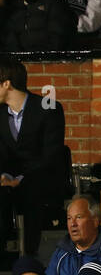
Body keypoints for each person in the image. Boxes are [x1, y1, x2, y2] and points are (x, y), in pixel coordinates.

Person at [0, 55, 68, 257]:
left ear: (6, 84)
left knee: (32, 191)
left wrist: (20, 178)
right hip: (8, 179)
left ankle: (30, 257)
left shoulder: (48, 108)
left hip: (40, 178)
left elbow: (52, 156)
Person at [1, 0, 75, 52]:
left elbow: (59, 39)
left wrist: (39, 59)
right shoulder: (15, 11)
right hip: (23, 63)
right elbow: (11, 43)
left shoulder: (54, 4)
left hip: (51, 61)